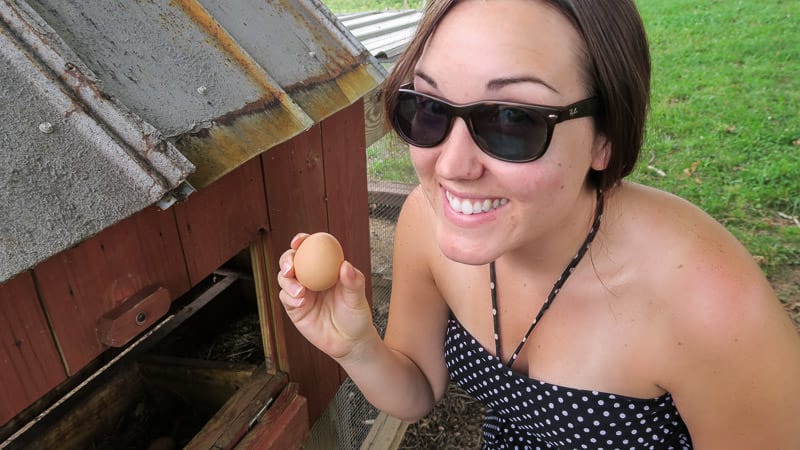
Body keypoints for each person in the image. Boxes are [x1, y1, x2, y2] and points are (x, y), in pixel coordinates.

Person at [278, 0, 800, 448]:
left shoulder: (710, 303)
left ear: (605, 138)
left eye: (513, 120)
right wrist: (358, 346)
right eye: (428, 107)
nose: (451, 166)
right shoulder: (426, 219)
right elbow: (416, 391)